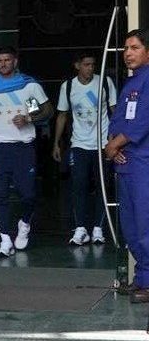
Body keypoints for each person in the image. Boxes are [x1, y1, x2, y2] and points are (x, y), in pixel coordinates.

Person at [0, 47, 53, 257]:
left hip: (23, 146)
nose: (3, 64)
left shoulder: (27, 86)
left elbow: (45, 111)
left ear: (15, 62)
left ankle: (24, 223)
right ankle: (6, 239)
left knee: (28, 194)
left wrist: (28, 118)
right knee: (0, 195)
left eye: (7, 60)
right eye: (0, 61)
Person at [52, 52, 117, 245]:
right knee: (78, 186)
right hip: (79, 144)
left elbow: (115, 111)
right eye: (87, 64)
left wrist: (114, 139)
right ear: (77, 65)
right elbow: (62, 115)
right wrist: (56, 143)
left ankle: (98, 228)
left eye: (93, 64)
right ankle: (81, 228)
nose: (90, 68)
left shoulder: (105, 82)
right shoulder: (69, 86)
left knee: (102, 187)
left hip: (102, 144)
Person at [105, 29, 149, 303]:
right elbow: (118, 118)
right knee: (131, 228)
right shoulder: (130, 83)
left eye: (134, 47)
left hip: (143, 164)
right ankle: (142, 278)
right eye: (125, 48)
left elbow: (142, 122)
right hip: (126, 163)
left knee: (145, 225)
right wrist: (113, 143)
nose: (127, 53)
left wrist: (115, 145)